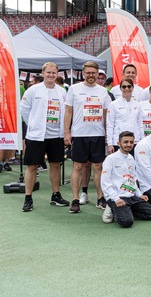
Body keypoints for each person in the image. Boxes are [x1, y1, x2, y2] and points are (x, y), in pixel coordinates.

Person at [20, 62, 69, 212]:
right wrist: (34, 124)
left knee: (55, 164)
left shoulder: (62, 91)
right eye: (48, 72)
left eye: (54, 73)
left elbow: (66, 112)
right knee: (32, 166)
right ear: (43, 73)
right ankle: (28, 198)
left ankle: (56, 195)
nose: (51, 75)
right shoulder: (33, 90)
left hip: (56, 135)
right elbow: (24, 109)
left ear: (57, 74)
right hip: (36, 136)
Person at [64, 61, 112, 213]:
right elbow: (68, 112)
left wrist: (107, 134)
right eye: (88, 72)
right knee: (78, 166)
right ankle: (75, 199)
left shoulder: (103, 91)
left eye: (94, 73)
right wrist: (67, 132)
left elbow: (106, 114)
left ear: (98, 74)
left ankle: (100, 197)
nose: (91, 75)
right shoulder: (74, 89)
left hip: (97, 134)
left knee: (98, 166)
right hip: (79, 134)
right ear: (83, 73)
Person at [100, 131, 151, 227]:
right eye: (126, 142)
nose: (129, 145)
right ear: (119, 144)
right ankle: (112, 207)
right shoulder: (110, 159)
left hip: (131, 196)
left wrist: (139, 194)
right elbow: (105, 182)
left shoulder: (131, 158)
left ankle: (127, 211)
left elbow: (133, 179)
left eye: (131, 142)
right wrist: (116, 199)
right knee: (127, 222)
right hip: (117, 197)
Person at [106, 78, 142, 153]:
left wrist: (141, 141)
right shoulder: (113, 104)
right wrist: (109, 143)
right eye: (124, 87)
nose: (126, 89)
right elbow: (110, 125)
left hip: (135, 141)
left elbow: (139, 124)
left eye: (129, 86)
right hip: (118, 141)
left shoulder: (137, 104)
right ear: (120, 88)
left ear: (132, 88)